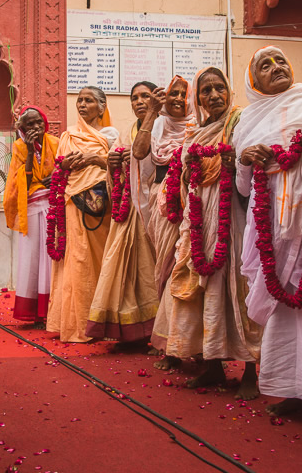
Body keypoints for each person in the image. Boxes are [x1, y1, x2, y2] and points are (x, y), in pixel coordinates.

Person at [232, 46, 302, 416]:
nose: (276, 67)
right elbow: (243, 188)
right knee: (286, 306)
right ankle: (294, 392)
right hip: (270, 223)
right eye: (265, 65)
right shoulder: (247, 120)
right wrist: (245, 160)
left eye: (280, 61)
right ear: (253, 81)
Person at [162, 67, 262, 399]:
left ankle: (250, 369)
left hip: (233, 215)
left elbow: (252, 167)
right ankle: (212, 365)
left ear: (229, 90)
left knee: (237, 287)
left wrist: (237, 166)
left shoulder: (240, 123)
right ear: (199, 98)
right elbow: (185, 180)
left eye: (220, 88)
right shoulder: (196, 134)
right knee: (202, 290)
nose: (214, 95)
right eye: (206, 91)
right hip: (199, 218)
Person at [86, 82, 159, 343]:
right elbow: (111, 161)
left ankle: (155, 331)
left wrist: (137, 158)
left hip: (154, 207)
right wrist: (112, 162)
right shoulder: (127, 131)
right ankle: (129, 330)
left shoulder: (164, 127)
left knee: (151, 271)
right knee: (122, 269)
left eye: (145, 96)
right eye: (134, 97)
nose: (139, 101)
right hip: (127, 210)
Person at [47, 86, 118, 343]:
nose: (82, 104)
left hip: (100, 204)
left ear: (101, 107)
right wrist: (65, 165)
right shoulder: (68, 136)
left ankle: (101, 322)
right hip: (72, 200)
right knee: (77, 261)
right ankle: (78, 324)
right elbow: (58, 171)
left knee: (99, 260)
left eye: (89, 100)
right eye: (79, 100)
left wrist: (92, 160)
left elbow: (115, 166)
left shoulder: (110, 136)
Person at [144, 75, 196, 368]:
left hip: (193, 203)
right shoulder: (158, 126)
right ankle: (169, 342)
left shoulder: (199, 127)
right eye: (172, 93)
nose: (177, 98)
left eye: (183, 94)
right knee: (164, 269)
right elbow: (140, 154)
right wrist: (152, 113)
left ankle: (187, 343)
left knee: (184, 267)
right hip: (162, 206)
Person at [4, 106, 58, 327]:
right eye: (30, 125)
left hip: (53, 204)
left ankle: (52, 310)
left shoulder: (55, 142)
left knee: (51, 256)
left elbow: (63, 166)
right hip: (32, 207)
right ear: (23, 129)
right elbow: (22, 178)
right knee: (32, 257)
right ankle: (34, 310)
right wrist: (28, 150)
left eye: (39, 123)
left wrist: (55, 176)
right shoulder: (18, 147)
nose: (36, 127)